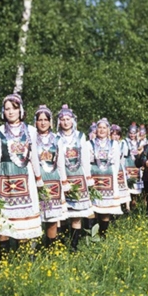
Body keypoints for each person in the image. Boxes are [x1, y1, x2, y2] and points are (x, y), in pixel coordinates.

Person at [0, 94, 43, 259]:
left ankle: (27, 259)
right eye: (7, 108)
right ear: (3, 111)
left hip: (26, 178)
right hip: (5, 178)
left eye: (14, 108)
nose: (11, 112)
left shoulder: (31, 131)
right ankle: (3, 261)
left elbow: (34, 156)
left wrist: (38, 178)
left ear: (21, 110)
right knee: (4, 221)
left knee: (26, 223)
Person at [56, 104, 94, 251]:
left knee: (77, 214)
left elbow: (85, 158)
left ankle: (74, 246)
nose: (66, 122)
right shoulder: (55, 137)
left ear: (73, 120)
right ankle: (61, 243)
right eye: (63, 119)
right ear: (59, 121)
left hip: (77, 176)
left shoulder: (80, 136)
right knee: (62, 213)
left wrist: (88, 177)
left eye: (68, 119)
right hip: (61, 176)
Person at [33, 105, 68, 248]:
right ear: (35, 121)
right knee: (37, 215)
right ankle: (33, 248)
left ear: (50, 121)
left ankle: (50, 249)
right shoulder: (31, 137)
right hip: (37, 179)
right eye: (40, 120)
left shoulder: (57, 139)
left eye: (45, 120)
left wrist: (64, 182)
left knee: (52, 217)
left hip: (53, 179)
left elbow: (60, 163)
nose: (42, 123)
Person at [89, 118, 122, 237]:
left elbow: (117, 163)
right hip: (94, 177)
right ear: (96, 129)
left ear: (108, 130)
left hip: (109, 177)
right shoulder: (90, 143)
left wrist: (113, 176)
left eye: (104, 128)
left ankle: (103, 234)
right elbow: (87, 162)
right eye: (99, 127)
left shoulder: (114, 144)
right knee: (93, 205)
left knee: (106, 207)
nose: (102, 130)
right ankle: (92, 233)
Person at [111, 124, 131, 212]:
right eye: (114, 134)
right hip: (111, 168)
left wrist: (125, 170)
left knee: (123, 186)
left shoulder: (123, 143)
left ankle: (127, 207)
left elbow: (124, 157)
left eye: (118, 134)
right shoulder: (108, 144)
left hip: (120, 167)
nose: (116, 136)